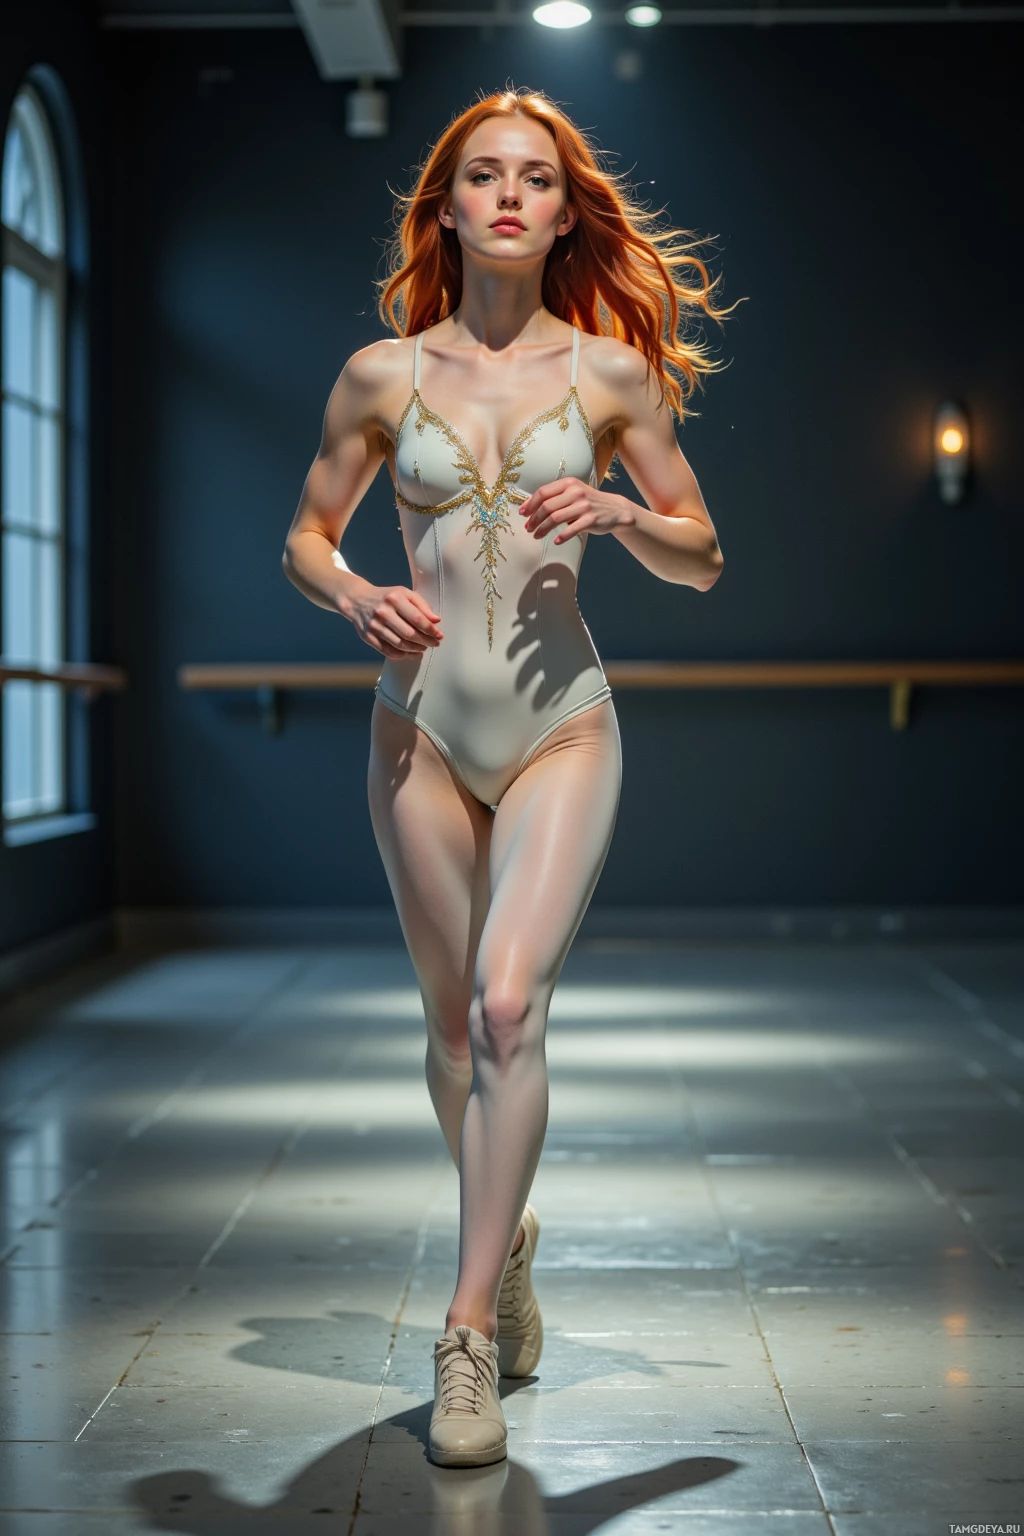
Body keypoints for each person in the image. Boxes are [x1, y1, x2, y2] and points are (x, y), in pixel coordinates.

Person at [282, 86, 735, 1469]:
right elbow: (305, 534)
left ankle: (467, 1333)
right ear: (448, 205)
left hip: (560, 730)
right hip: (414, 733)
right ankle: (510, 1228)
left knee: (504, 1000)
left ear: (560, 211)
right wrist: (353, 591)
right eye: (483, 175)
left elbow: (704, 552)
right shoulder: (380, 374)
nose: (509, 196)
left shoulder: (611, 379)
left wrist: (621, 511)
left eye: (536, 178)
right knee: (449, 1026)